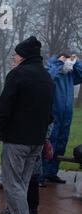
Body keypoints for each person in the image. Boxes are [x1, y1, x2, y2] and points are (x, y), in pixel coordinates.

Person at [0, 36, 54, 214]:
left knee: (12, 183)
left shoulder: (18, 75)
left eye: (16, 54)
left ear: (23, 56)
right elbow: (49, 113)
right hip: (36, 140)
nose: (14, 57)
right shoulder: (47, 78)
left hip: (17, 140)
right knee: (22, 183)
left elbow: (4, 107)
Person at [41, 53, 82, 184]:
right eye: (66, 59)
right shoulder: (51, 68)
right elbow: (50, 76)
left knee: (60, 144)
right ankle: (41, 174)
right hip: (53, 114)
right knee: (48, 144)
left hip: (66, 115)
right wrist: (59, 64)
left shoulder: (70, 74)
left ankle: (52, 173)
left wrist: (76, 63)